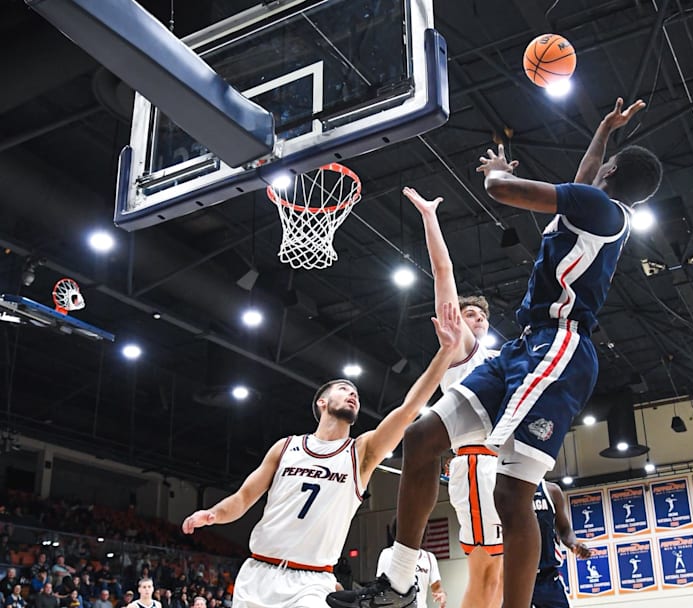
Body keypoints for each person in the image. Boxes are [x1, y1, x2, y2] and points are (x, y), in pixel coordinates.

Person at [331, 96, 662, 608]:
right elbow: (587, 173)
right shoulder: (596, 209)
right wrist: (603, 130)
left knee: (511, 494)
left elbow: (502, 190)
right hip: (525, 347)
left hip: (560, 347)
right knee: (421, 437)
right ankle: (397, 583)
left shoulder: (599, 209)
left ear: (613, 173)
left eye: (605, 166)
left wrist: (497, 171)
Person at [180, 303, 463, 608]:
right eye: (344, 389)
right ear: (322, 403)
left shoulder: (361, 452)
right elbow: (243, 498)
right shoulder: (285, 447)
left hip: (312, 582)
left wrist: (446, 352)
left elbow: (408, 410)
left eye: (356, 394)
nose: (353, 394)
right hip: (258, 573)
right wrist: (213, 514)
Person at [402, 186, 503, 608]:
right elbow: (444, 273)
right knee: (484, 570)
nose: (475, 319)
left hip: (505, 462)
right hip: (477, 460)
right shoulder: (462, 349)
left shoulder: (502, 357)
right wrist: (430, 218)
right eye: (468, 314)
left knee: (500, 573)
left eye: (480, 315)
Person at [531, 482, 590, 608]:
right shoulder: (508, 489)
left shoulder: (551, 490)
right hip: (517, 577)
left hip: (548, 577)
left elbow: (564, 529)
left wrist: (574, 544)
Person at [374, 523, 445, 608]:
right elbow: (380, 586)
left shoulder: (429, 557)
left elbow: (437, 587)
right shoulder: (388, 554)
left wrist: (441, 594)